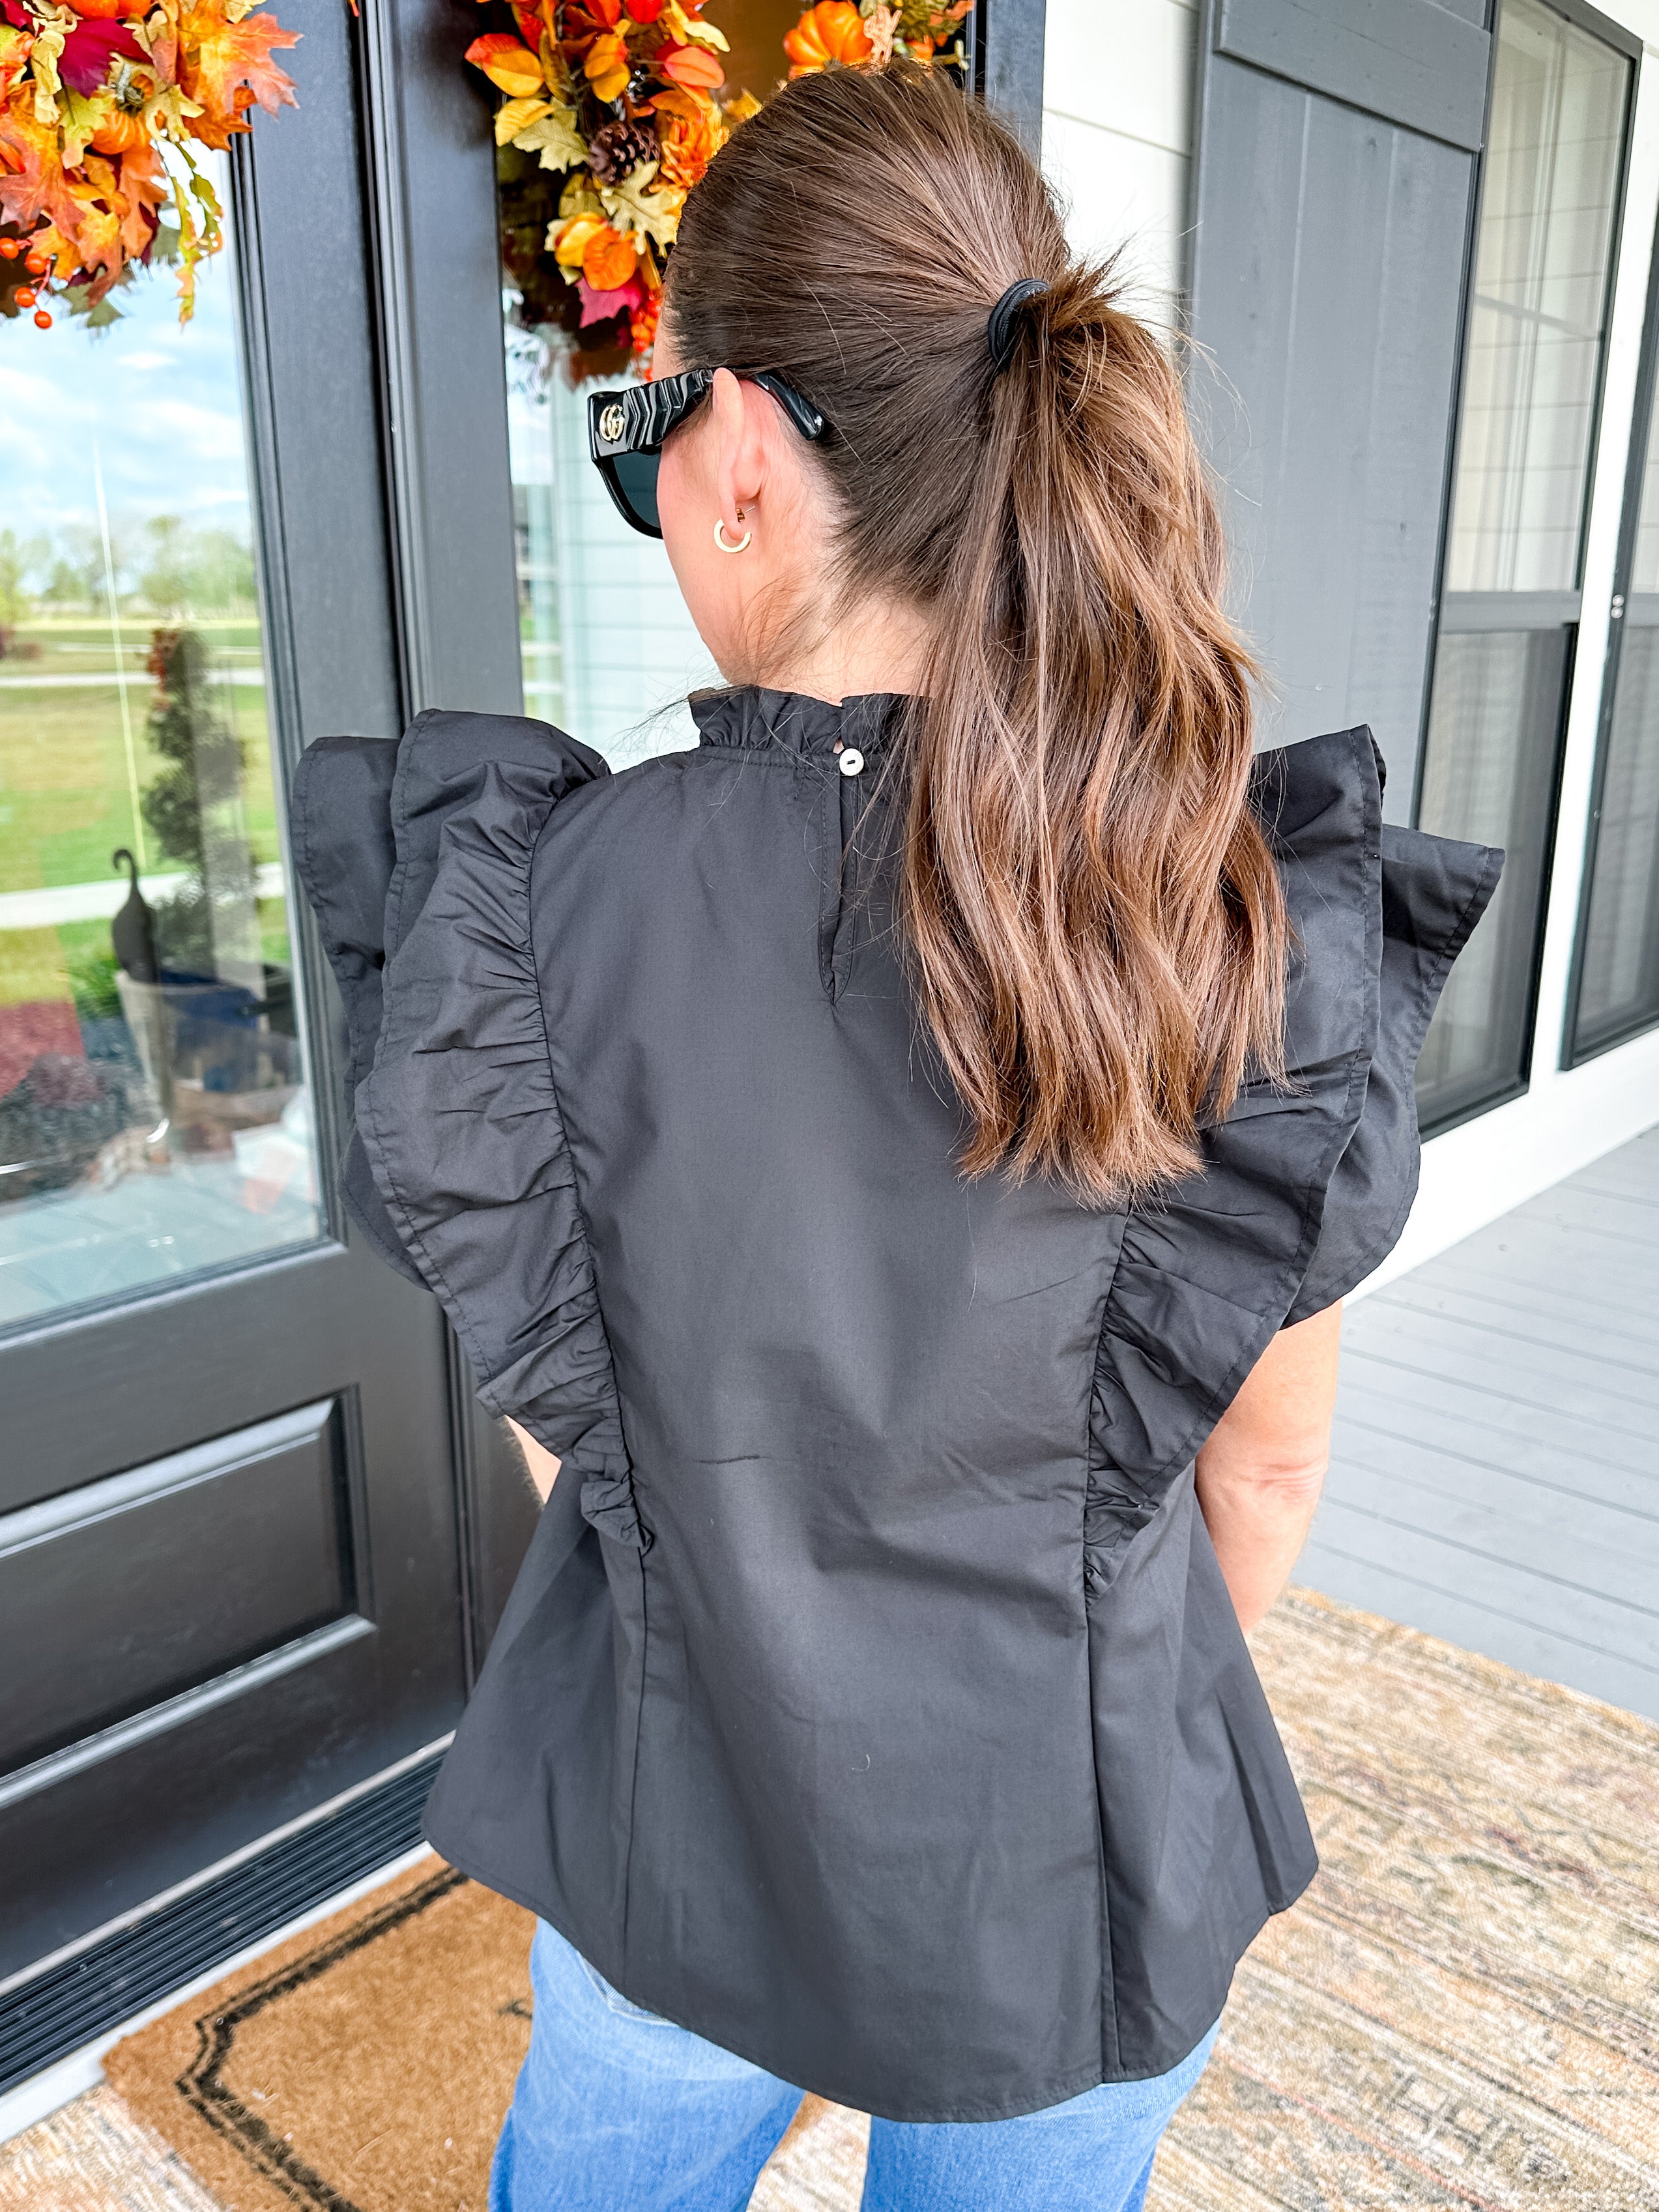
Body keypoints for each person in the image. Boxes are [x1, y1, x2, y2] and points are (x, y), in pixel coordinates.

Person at [293, 61, 1501, 2212]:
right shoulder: (1227, 914)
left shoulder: (531, 912)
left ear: (743, 459)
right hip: (1076, 1865)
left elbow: (576, 1433)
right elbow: (1261, 1469)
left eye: (640, 432)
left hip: (677, 1840)